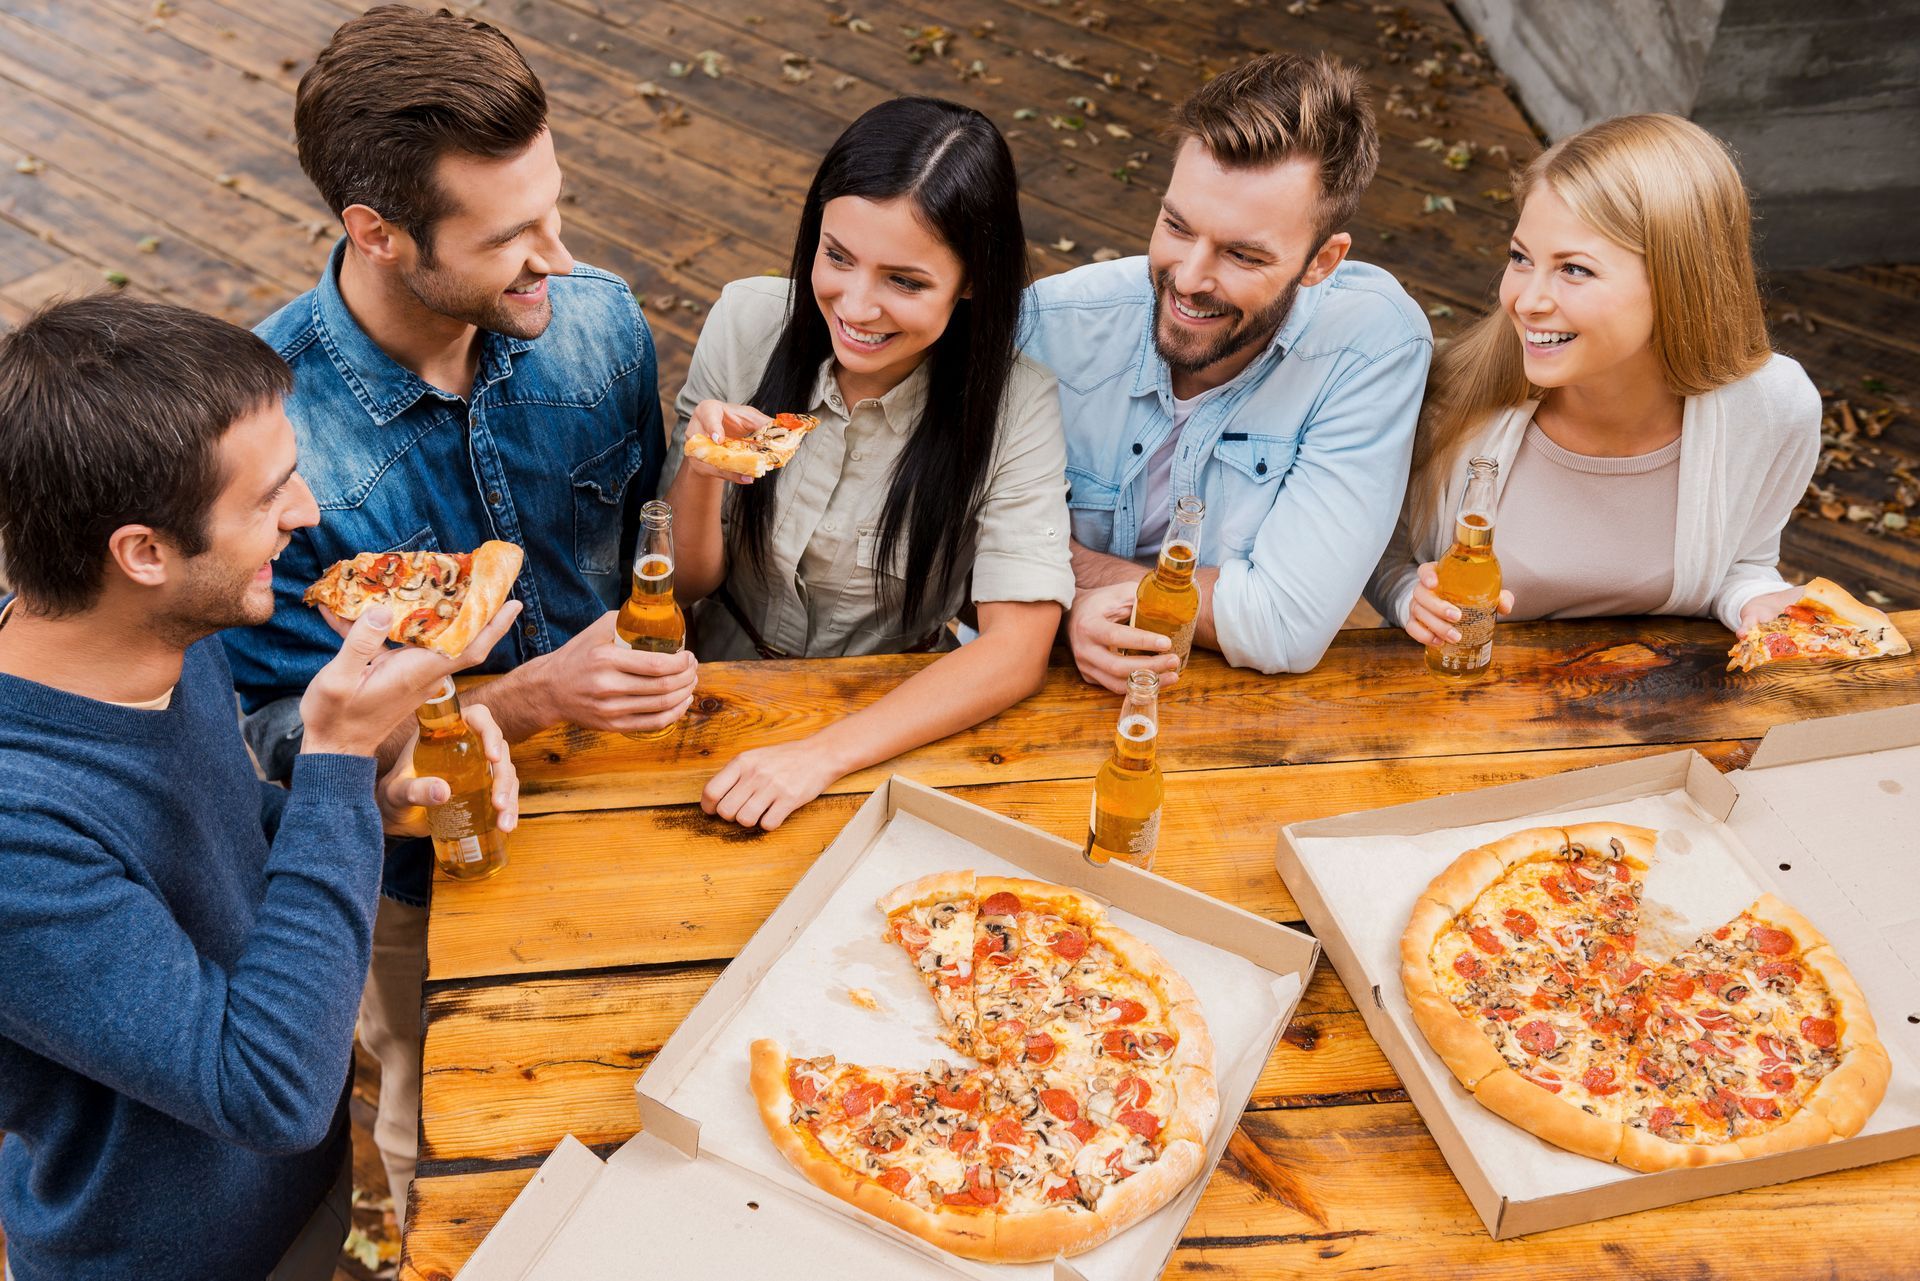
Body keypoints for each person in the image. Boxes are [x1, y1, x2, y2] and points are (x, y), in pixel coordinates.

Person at [218, 4, 690, 1226]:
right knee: (459, 1166)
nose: (562, 258)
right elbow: (270, 743)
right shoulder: (265, 445)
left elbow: (646, 545)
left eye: (554, 206)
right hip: (424, 886)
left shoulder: (599, 323)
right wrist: (521, 699)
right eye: (510, 236)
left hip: (641, 814)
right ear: (376, 231)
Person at [0, 294, 519, 1281]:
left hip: (303, 1190)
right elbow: (267, 1092)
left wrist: (374, 805)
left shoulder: (162, 642)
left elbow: (223, 844)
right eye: (270, 494)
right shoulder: (16, 833)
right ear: (144, 553)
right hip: (172, 1256)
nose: (309, 514)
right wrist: (333, 756)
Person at [661, 96, 1074, 831]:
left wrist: (819, 756)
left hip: (892, 722)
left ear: (972, 280)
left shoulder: (1016, 405)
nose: (856, 306)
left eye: (904, 282)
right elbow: (688, 582)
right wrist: (700, 471)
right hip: (709, 691)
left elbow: (1015, 652)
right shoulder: (746, 322)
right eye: (837, 256)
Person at [1021, 53, 1432, 691]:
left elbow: (1286, 624)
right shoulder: (1051, 324)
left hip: (1232, 707)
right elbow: (943, 545)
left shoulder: (1372, 347)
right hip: (1028, 669)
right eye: (1176, 226)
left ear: (1323, 260)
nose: (1187, 279)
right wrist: (1066, 612)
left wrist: (1055, 575)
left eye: (1241, 254)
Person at [1365, 114, 1821, 642]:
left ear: (1678, 280)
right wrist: (1408, 598)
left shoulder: (1774, 409)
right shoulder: (1440, 390)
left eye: (1574, 269)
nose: (1527, 301)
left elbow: (1743, 564)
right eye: (1521, 258)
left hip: (1657, 712)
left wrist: (1753, 599)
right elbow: (1372, 551)